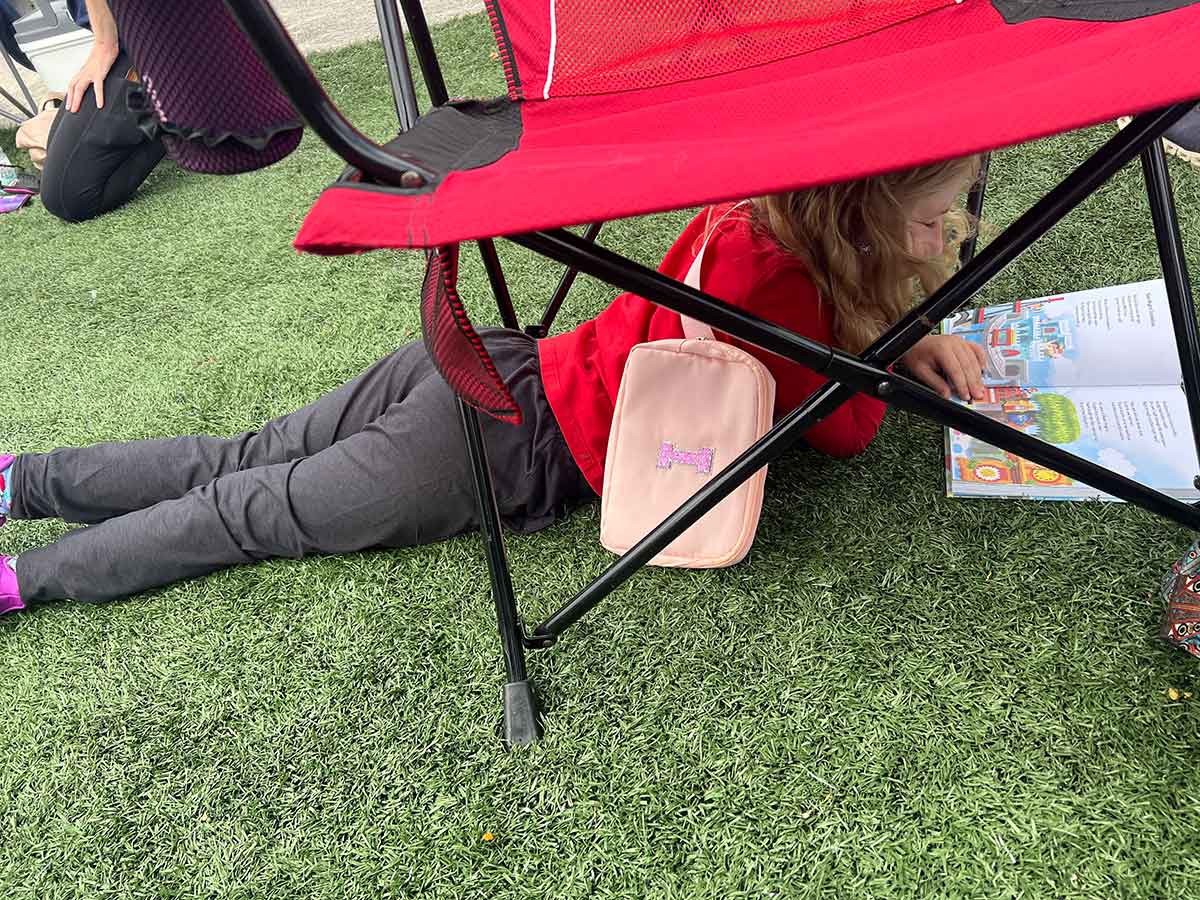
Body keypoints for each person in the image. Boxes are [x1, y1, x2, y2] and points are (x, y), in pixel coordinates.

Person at [0, 156, 986, 616]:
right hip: (501, 445)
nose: (943, 240)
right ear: (860, 206)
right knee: (252, 512)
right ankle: (25, 581)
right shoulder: (789, 292)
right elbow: (849, 431)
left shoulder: (755, 212)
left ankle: (21, 483)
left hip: (487, 361)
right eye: (934, 219)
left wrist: (893, 332)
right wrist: (887, 337)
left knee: (244, 460)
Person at [39, 0, 165, 222]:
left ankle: (189, 105)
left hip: (155, 30)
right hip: (133, 29)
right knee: (57, 163)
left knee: (68, 197)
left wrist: (105, 43)